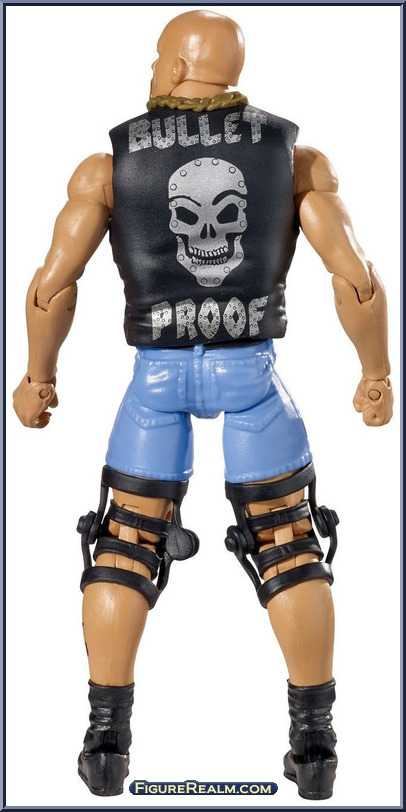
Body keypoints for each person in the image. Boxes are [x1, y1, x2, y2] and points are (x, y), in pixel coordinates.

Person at [13, 9, 393, 801]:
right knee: (289, 546)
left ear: (179, 67)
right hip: (251, 374)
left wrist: (38, 374)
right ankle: (315, 746)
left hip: (155, 379)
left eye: (158, 59)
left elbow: (53, 284)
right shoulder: (293, 160)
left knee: (123, 545)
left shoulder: (107, 168)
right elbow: (355, 277)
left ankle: (106, 741)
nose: (152, 70)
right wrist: (375, 370)